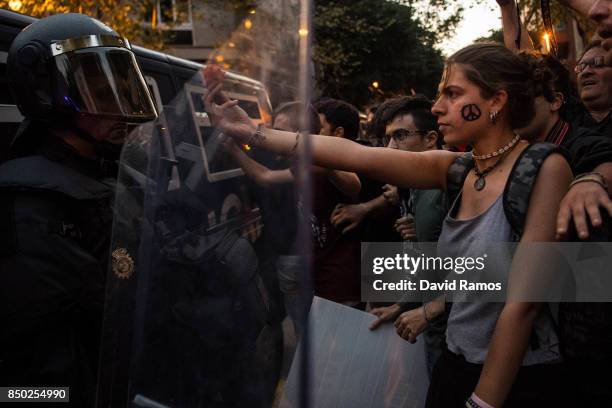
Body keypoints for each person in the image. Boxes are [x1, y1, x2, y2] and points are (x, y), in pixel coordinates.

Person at [206, 42, 571, 407]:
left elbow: (523, 304)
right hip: (456, 363)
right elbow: (356, 154)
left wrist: (482, 402)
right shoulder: (459, 168)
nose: (436, 107)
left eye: (452, 93)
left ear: (497, 101)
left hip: (516, 379)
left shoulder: (543, 168)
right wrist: (251, 133)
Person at [0, 13, 157, 407]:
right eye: (102, 94)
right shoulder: (31, 203)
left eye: (126, 88)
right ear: (46, 94)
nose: (121, 108)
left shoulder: (106, 171)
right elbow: (33, 375)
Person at [367, 95, 449, 378]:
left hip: (455, 339)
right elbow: (428, 263)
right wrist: (402, 305)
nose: (391, 147)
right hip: (432, 331)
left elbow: (487, 269)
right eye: (388, 138)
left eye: (400, 136)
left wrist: (431, 311)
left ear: (430, 139)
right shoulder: (417, 185)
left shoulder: (450, 184)